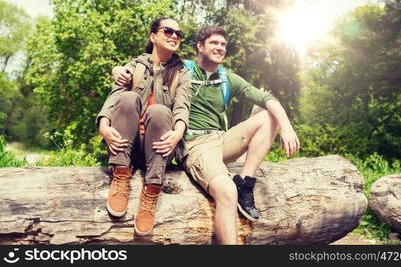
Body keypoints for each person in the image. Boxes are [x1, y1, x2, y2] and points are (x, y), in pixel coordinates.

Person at [113, 25, 299, 244]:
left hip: (221, 139)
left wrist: (286, 127)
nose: (220, 48)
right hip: (194, 144)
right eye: (214, 43)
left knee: (269, 116)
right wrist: (118, 69)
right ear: (200, 46)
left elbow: (267, 99)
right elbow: (148, 62)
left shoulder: (228, 78)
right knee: (226, 192)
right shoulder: (182, 68)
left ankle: (245, 181)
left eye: (223, 45)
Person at [96, 17, 191, 236]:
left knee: (159, 111)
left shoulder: (182, 73)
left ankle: (152, 189)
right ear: (153, 36)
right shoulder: (134, 66)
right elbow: (114, 98)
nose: (175, 36)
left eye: (179, 33)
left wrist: (178, 133)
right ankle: (120, 174)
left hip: (158, 149)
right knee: (128, 98)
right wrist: (103, 126)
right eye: (168, 31)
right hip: (126, 145)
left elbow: (182, 106)